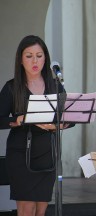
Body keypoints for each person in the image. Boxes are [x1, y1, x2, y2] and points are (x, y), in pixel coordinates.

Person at [0, 35, 70, 216]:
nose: (35, 61)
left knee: (41, 210)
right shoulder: (11, 87)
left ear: (45, 58)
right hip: (21, 154)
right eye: (29, 55)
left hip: (48, 153)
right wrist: (17, 120)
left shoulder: (55, 85)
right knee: (27, 209)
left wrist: (61, 125)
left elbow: (70, 116)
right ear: (21, 60)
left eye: (39, 55)